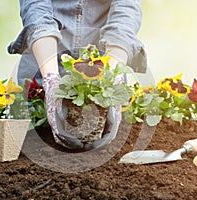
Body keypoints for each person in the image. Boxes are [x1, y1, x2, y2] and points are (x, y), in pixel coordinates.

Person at [8, 0, 147, 150]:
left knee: (102, 154)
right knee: (33, 149)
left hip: (99, 69)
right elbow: (36, 10)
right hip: (42, 68)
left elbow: (126, 10)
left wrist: (110, 78)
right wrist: (51, 81)